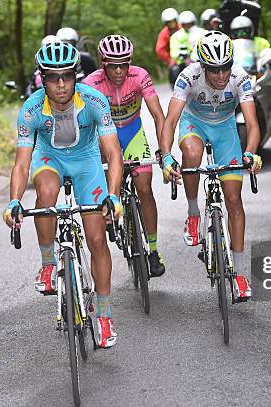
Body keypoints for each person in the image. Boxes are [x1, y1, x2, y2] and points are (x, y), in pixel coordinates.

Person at [3, 42, 123, 348]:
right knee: (45, 191)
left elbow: (112, 152)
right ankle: (47, 262)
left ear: (76, 76)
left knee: (97, 239)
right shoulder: (30, 109)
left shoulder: (94, 101)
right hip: (50, 158)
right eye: (52, 77)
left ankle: (105, 316)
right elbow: (21, 162)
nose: (59, 84)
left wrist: (113, 195)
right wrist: (14, 200)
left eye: (66, 76)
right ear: (41, 77)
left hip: (86, 162)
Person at [160, 31, 263, 301]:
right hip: (194, 123)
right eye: (214, 70)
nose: (220, 76)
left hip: (225, 129)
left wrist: (251, 153)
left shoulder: (240, 78)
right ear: (202, 66)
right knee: (192, 154)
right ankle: (194, 213)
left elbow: (252, 125)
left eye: (225, 68)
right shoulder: (188, 77)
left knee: (234, 200)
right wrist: (167, 156)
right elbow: (170, 121)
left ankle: (239, 274)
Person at [83, 35, 167, 277]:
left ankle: (152, 249)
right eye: (113, 65)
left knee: (144, 185)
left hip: (132, 132)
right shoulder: (91, 83)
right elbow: (85, 124)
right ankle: (113, 206)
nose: (119, 71)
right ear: (103, 63)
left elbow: (158, 117)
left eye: (123, 64)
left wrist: (165, 150)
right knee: (112, 181)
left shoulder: (139, 76)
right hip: (104, 137)